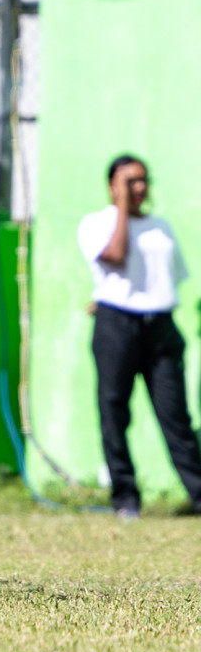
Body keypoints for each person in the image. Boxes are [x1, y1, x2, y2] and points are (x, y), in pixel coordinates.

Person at [78, 155, 201, 519]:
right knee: (114, 410)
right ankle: (126, 498)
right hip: (116, 324)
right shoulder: (96, 223)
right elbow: (115, 256)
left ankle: (198, 494)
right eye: (130, 181)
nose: (139, 187)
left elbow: (169, 278)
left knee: (175, 414)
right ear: (112, 185)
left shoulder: (160, 226)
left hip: (160, 325)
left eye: (143, 180)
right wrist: (120, 210)